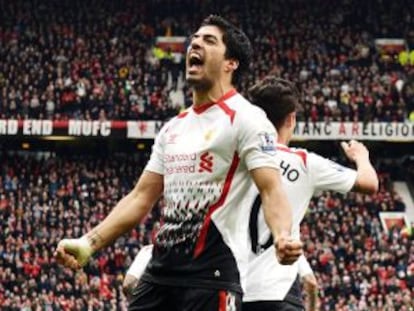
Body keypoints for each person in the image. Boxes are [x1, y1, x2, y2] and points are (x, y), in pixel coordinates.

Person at [55, 16, 303, 311]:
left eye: (209, 40)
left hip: (212, 277)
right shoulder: (173, 127)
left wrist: (283, 236)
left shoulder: (248, 119)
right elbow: (139, 197)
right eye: (195, 38)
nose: (195, 43)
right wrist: (89, 242)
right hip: (160, 273)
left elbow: (272, 189)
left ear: (230, 63)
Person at [242, 76, 379, 311]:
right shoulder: (304, 163)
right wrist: (361, 157)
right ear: (291, 118)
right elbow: (369, 183)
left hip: (229, 291)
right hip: (276, 292)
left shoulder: (234, 158)